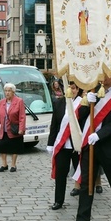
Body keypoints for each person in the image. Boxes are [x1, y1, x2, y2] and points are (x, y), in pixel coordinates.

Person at [65, 63, 111, 221]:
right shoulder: (93, 91)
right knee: (86, 182)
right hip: (91, 145)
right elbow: (81, 116)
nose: (104, 77)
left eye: (108, 73)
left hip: (109, 145)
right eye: (102, 73)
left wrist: (100, 134)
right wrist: (87, 103)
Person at [47, 81, 83, 210]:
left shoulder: (83, 103)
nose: (71, 90)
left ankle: (84, 200)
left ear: (78, 89)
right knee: (61, 174)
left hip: (77, 146)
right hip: (62, 145)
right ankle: (58, 201)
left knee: (81, 173)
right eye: (69, 87)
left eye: (74, 88)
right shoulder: (59, 103)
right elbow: (54, 125)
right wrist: (50, 144)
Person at [0, 83, 25, 172]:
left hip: (14, 129)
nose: (7, 93)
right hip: (4, 129)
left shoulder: (19, 101)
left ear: (13, 92)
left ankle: (13, 165)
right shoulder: (1, 102)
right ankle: (4, 164)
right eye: (6, 91)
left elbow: (22, 116)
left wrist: (21, 128)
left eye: (9, 91)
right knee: (2, 147)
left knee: (14, 147)